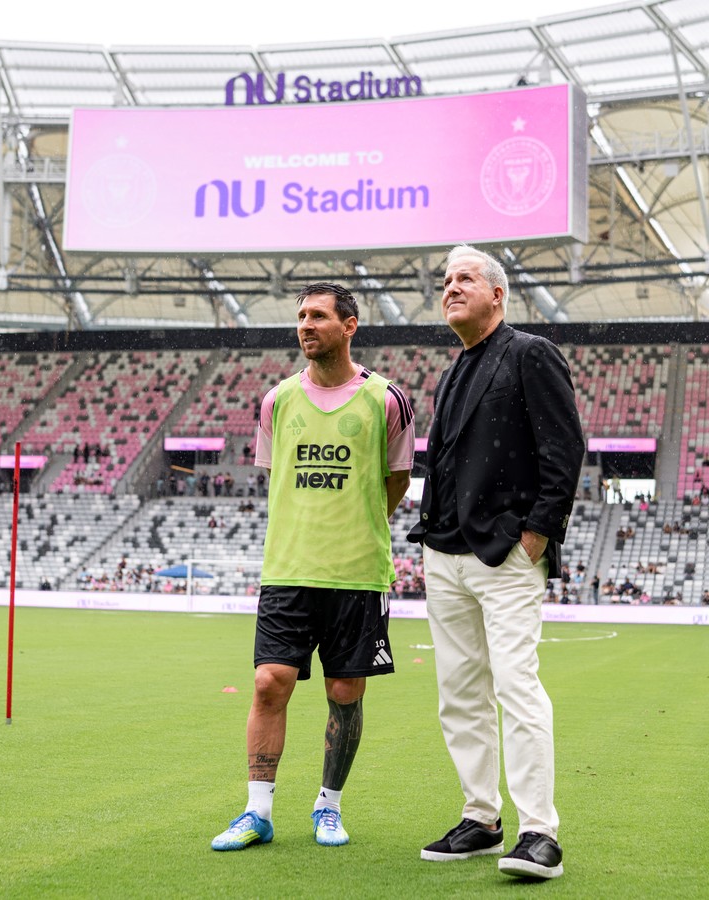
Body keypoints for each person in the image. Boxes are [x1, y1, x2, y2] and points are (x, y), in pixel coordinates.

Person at [211, 281, 415, 852]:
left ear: (349, 325)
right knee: (269, 683)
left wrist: (358, 521)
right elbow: (278, 479)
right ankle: (257, 812)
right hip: (288, 569)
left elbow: (396, 480)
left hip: (357, 573)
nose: (306, 325)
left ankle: (329, 807)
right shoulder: (277, 400)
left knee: (345, 692)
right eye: (301, 315)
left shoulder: (387, 400)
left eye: (319, 315)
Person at [407, 245, 584, 881]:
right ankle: (481, 818)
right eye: (446, 280)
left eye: (465, 279)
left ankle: (540, 832)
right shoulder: (455, 368)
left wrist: (537, 534)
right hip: (445, 552)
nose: (450, 287)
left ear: (498, 295)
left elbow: (566, 448)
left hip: (505, 551)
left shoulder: (529, 352)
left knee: (515, 685)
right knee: (459, 692)